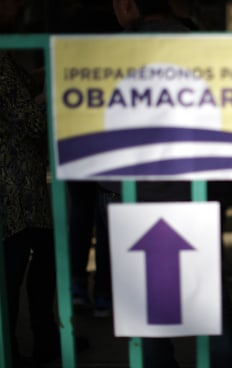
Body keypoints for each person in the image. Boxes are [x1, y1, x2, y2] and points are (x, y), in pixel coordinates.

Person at [104, 0, 232, 367]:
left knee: (149, 312)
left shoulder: (110, 54)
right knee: (209, 299)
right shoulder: (201, 45)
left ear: (128, 6)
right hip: (195, 187)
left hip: (137, 190)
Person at [0, 0, 61, 365]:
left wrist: (51, 72)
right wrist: (62, 92)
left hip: (25, 191)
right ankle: (13, 351)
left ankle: (46, 344)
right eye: (9, 3)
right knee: (16, 281)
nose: (19, 8)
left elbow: (22, 85)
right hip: (15, 192)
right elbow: (31, 121)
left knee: (38, 274)